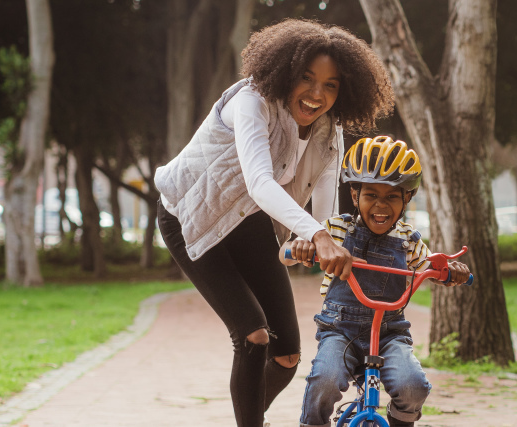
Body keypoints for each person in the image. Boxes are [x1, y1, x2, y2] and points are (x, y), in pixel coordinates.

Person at [154, 19, 396, 427]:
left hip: (247, 222)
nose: (317, 95)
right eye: (306, 78)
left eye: (331, 85)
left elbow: (324, 215)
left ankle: (246, 418)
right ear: (285, 72)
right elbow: (260, 182)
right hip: (189, 218)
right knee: (253, 336)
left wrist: (318, 238)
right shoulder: (251, 101)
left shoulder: (329, 133)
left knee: (285, 356)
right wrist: (316, 235)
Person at [280, 137, 471, 427]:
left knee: (413, 385)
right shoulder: (335, 230)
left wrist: (449, 271)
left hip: (389, 334)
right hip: (340, 330)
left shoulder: (409, 240)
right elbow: (284, 255)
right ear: (355, 196)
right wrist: (300, 249)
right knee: (325, 380)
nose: (381, 206)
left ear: (407, 198)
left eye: (392, 197)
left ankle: (401, 422)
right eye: (371, 195)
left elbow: (430, 264)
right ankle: (313, 423)